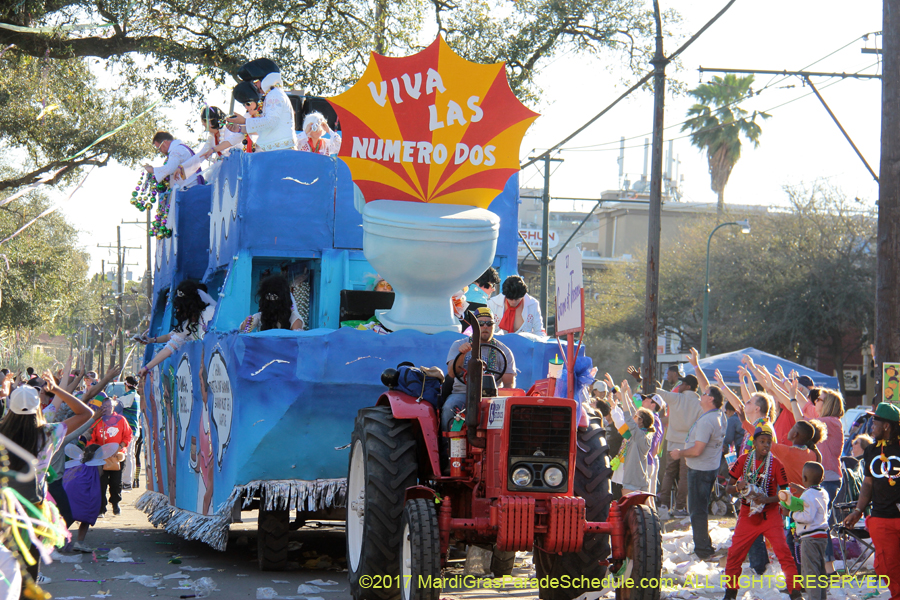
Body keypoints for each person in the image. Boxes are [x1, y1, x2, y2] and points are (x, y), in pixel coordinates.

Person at [0, 375, 93, 587]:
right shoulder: (49, 433)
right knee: (30, 571)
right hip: (33, 510)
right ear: (38, 408)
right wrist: (57, 390)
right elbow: (85, 413)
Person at [723, 422, 801, 600]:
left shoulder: (776, 463)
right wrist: (738, 487)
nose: (766, 445)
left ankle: (795, 593)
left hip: (770, 515)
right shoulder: (743, 460)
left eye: (769, 442)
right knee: (735, 554)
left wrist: (768, 499)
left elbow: (786, 493)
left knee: (783, 553)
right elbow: (728, 487)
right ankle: (730, 593)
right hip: (747, 514)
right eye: (762, 441)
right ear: (755, 442)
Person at [842, 402, 900, 600]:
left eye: (875, 421)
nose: (871, 426)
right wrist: (858, 511)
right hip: (881, 517)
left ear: (887, 426)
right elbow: (867, 484)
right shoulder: (872, 450)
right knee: (886, 566)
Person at [668, 385, 726, 559]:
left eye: (704, 394)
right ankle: (704, 545)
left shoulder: (708, 421)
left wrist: (680, 453)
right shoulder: (719, 415)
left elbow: (697, 450)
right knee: (700, 509)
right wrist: (695, 365)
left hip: (700, 470)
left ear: (711, 399)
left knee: (697, 511)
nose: (701, 395)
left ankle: (703, 550)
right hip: (709, 468)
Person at [442, 307, 516, 437]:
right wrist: (462, 354)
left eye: (489, 323)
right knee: (449, 408)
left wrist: (502, 402)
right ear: (474, 326)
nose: (485, 327)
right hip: (463, 393)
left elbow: (509, 384)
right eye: (481, 323)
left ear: (494, 326)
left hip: (493, 397)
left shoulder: (504, 351)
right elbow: (452, 373)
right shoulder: (459, 345)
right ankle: (447, 449)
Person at [138, 280, 217, 377]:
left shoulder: (210, 312)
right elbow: (168, 349)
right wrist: (146, 368)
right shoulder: (186, 326)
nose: (178, 310)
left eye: (180, 306)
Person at [652, 372, 703, 517]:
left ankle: (663, 506)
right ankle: (679, 508)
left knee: (669, 473)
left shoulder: (676, 398)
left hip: (673, 441)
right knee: (684, 476)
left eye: (682, 384)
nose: (679, 386)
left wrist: (641, 379)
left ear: (688, 386)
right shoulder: (700, 403)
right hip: (689, 444)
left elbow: (656, 390)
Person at [225, 58, 297, 153]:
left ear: (265, 79)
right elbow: (266, 127)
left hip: (280, 152)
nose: (255, 86)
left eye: (256, 82)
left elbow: (270, 122)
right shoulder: (273, 94)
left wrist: (245, 121)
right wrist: (239, 128)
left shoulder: (274, 94)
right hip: (278, 151)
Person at [781, 462, 830, 600]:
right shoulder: (823, 493)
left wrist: (790, 514)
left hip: (810, 539)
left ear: (804, 478)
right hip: (822, 536)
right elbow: (813, 499)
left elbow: (807, 517)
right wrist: (803, 490)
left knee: (810, 573)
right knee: (820, 571)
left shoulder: (807, 496)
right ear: (822, 478)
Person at [607, 378, 654, 494]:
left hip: (632, 481)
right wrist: (621, 392)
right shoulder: (644, 434)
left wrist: (623, 393)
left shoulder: (639, 435)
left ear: (641, 421)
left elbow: (627, 416)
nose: (633, 417)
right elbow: (632, 411)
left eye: (636, 417)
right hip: (641, 480)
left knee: (629, 510)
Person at [87, 397, 132, 516]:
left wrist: (119, 447)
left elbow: (128, 436)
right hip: (101, 457)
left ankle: (115, 503)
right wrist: (97, 450)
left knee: (116, 482)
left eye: (109, 406)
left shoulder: (121, 419)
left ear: (114, 407)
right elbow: (90, 439)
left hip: (117, 456)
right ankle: (101, 508)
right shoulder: (97, 421)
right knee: (101, 483)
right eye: (104, 406)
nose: (107, 408)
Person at [179, 106, 245, 175]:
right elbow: (200, 155)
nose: (202, 124)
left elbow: (235, 147)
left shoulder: (229, 130)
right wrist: (182, 167)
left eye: (204, 121)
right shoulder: (212, 137)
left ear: (209, 121)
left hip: (239, 170)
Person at [117, 375, 141, 490]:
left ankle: (126, 482)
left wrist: (115, 400)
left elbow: (116, 408)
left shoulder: (128, 396)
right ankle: (128, 481)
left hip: (128, 431)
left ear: (126, 385)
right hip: (135, 430)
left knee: (127, 455)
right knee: (131, 455)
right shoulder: (137, 396)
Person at [230, 81, 263, 153]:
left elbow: (263, 129)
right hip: (256, 157)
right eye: (243, 104)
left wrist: (243, 124)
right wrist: (214, 149)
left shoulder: (267, 114)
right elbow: (234, 138)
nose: (246, 107)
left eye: (248, 103)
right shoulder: (247, 116)